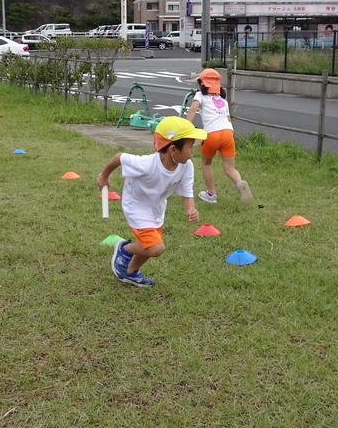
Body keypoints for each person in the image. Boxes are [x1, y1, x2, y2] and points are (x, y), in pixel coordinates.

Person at [97, 116, 206, 288]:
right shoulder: (146, 164)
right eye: (190, 146)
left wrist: (190, 209)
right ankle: (124, 249)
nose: (194, 150)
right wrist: (104, 175)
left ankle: (130, 273)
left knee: (148, 247)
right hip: (136, 207)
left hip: (156, 208)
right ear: (173, 149)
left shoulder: (187, 166)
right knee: (156, 248)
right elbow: (119, 157)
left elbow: (187, 194)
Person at [185, 68, 253, 205]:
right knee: (229, 168)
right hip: (228, 133)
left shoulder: (200, 96)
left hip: (212, 134)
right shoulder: (222, 100)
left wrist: (186, 127)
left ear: (202, 84)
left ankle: (211, 194)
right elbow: (228, 119)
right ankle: (240, 182)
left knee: (206, 163)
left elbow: (193, 109)